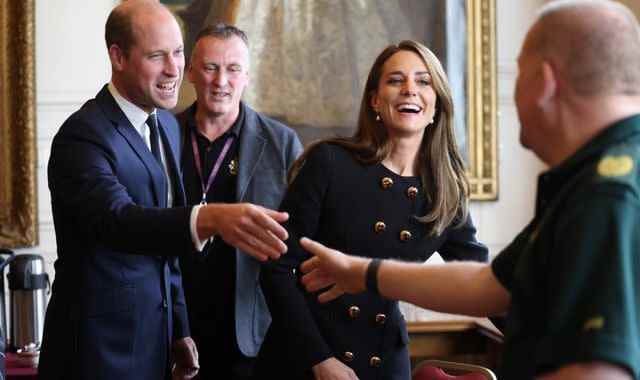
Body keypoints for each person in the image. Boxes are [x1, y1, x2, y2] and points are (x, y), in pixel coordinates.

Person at [298, 1, 640, 379]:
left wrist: (364, 273)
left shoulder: (607, 194)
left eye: (517, 74)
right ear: (375, 99)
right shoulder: (587, 182)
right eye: (396, 80)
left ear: (543, 82)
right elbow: (493, 284)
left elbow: (597, 367)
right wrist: (364, 273)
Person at [40, 2, 290, 380]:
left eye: (177, 53)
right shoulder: (83, 135)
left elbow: (165, 251)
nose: (174, 69)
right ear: (118, 56)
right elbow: (116, 220)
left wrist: (179, 327)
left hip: (156, 348)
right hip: (97, 352)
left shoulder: (167, 128)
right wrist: (210, 218)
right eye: (158, 56)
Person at [255, 40, 488, 380]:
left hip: (383, 360)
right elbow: (276, 269)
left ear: (436, 105)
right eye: (396, 80)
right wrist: (321, 360)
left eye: (423, 82)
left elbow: (481, 283)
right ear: (375, 100)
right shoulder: (329, 163)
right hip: (304, 358)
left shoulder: (445, 192)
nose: (410, 89)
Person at [176, 23, 303, 380]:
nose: (221, 81)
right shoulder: (164, 137)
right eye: (210, 67)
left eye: (233, 69)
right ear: (190, 72)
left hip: (252, 333)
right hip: (177, 327)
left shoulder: (282, 144)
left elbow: (301, 241)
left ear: (247, 76)